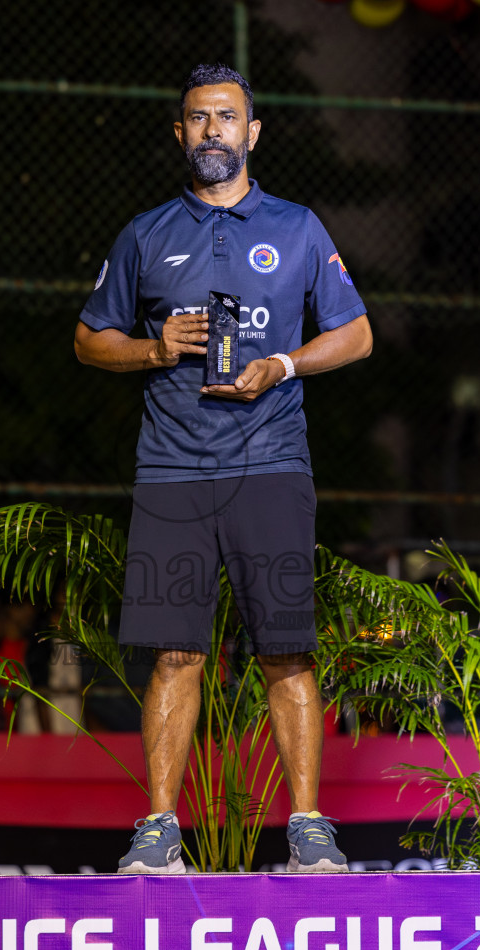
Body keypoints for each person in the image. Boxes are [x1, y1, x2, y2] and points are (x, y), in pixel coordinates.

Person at [74, 63, 373, 874]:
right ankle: (159, 831)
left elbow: (356, 335)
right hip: (172, 470)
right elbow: (89, 340)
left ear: (253, 132)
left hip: (272, 465)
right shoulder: (145, 234)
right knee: (176, 654)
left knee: (287, 651)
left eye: (227, 117)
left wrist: (282, 364)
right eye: (199, 118)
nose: (213, 130)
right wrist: (154, 348)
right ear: (181, 133)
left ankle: (308, 828)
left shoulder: (298, 227)